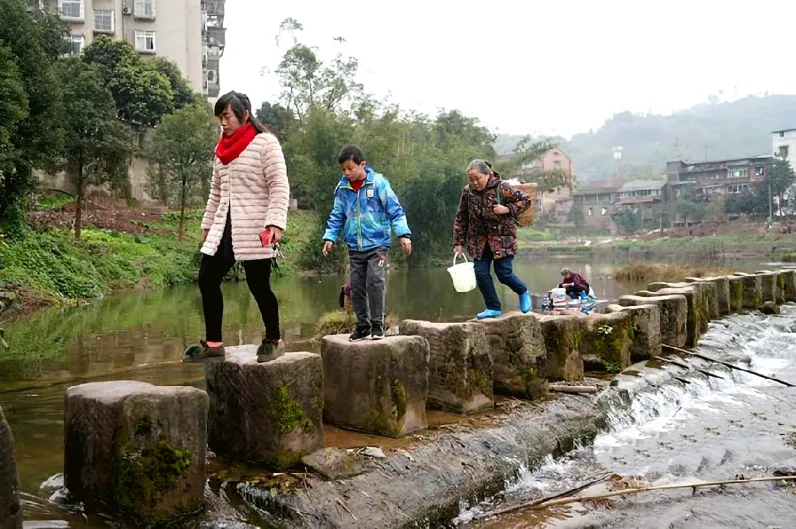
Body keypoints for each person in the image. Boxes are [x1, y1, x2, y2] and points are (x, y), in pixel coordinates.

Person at [183, 91, 290, 363]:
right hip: (224, 225)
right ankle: (214, 343)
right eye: (220, 117)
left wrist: (275, 223)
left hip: (255, 227)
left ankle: (274, 339)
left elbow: (278, 185)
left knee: (258, 285)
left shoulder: (265, 143)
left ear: (245, 114)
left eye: (227, 116)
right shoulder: (221, 150)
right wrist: (207, 225)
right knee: (207, 278)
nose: (223, 122)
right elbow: (216, 192)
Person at [322, 145, 412, 341]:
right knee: (356, 286)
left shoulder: (378, 184)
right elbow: (337, 215)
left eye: (350, 168)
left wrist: (403, 234)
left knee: (375, 281)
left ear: (362, 164)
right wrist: (330, 237)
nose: (346, 173)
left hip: (377, 244)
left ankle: (377, 325)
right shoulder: (342, 189)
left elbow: (395, 211)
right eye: (343, 169)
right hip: (354, 246)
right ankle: (363, 326)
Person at [453, 159, 532, 319]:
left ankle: (523, 291)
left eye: (478, 178)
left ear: (487, 174)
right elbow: (461, 217)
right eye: (471, 179)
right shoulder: (468, 192)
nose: (475, 182)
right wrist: (458, 242)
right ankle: (493, 307)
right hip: (478, 240)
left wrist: (507, 209)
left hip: (502, 239)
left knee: (503, 274)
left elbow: (526, 201)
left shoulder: (503, 187)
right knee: (481, 273)